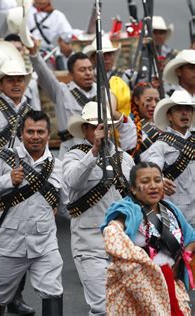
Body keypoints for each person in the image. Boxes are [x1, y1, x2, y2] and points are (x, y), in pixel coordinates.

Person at [0, 110, 63, 316]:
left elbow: (67, 201)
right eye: (30, 131)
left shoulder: (58, 166)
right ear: (21, 134)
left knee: (53, 291)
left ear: (48, 134)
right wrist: (7, 180)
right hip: (9, 243)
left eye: (40, 132)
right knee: (0, 294)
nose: (35, 136)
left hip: (44, 244)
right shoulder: (4, 158)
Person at [62, 101, 135, 315]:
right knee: (102, 307)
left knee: (122, 306)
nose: (101, 131)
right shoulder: (74, 156)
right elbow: (72, 181)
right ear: (85, 129)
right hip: (89, 243)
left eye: (105, 126)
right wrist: (94, 152)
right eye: (94, 126)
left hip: (122, 242)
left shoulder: (124, 158)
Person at [101, 162, 194, 315]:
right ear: (133, 189)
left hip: (171, 285)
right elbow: (113, 229)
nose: (153, 185)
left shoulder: (171, 210)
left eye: (157, 180)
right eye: (145, 182)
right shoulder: (128, 211)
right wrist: (146, 264)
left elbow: (191, 237)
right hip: (140, 290)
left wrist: (182, 259)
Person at [141, 90, 195, 226]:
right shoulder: (160, 145)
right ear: (169, 116)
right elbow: (151, 170)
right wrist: (160, 179)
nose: (184, 113)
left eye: (188, 109)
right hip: (176, 216)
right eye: (179, 110)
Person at [128, 82, 161, 161]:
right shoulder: (128, 125)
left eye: (157, 100)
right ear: (136, 100)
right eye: (148, 100)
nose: (154, 104)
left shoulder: (165, 124)